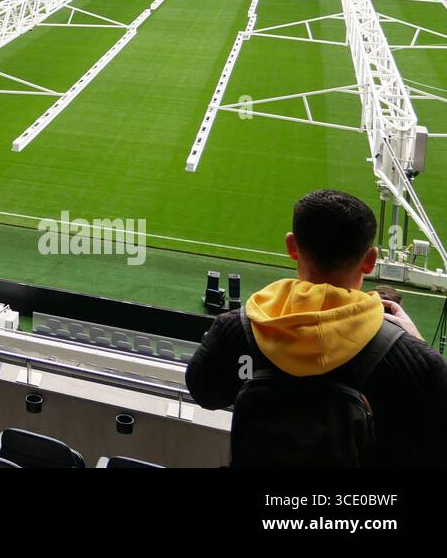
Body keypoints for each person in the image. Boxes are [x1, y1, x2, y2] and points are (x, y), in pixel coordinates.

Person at [185, 188, 447, 468]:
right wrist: (417, 343)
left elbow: (204, 392)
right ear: (370, 261)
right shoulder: (414, 360)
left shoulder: (235, 328)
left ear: (292, 246)